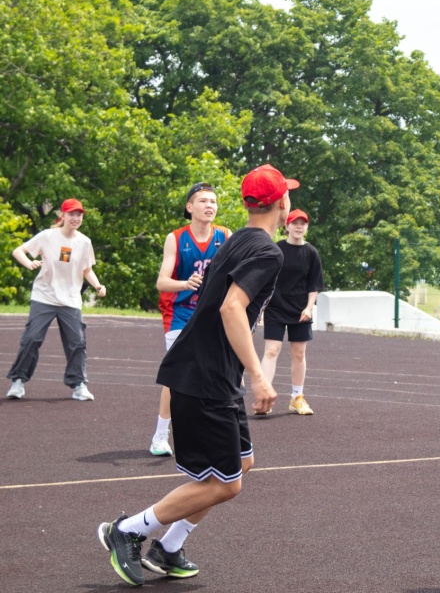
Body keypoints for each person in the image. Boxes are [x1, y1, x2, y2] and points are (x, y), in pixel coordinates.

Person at [97, 164, 296, 586]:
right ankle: (128, 530)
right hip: (206, 376)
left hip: (208, 372)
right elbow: (230, 307)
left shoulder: (237, 238)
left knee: (239, 465)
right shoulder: (267, 251)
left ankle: (169, 547)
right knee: (225, 485)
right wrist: (259, 376)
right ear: (283, 201)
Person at [150, 182, 232, 456]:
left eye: (213, 201)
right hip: (180, 313)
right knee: (178, 374)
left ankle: (212, 431)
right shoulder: (176, 238)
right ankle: (160, 435)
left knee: (218, 373)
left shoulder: (225, 236)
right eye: (203, 201)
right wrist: (185, 284)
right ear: (190, 207)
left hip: (211, 312)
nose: (210, 206)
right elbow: (162, 282)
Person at [6, 198, 106, 401]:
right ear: (63, 215)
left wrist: (98, 285)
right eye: (71, 214)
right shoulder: (48, 236)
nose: (76, 218)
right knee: (32, 339)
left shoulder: (84, 242)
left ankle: (79, 385)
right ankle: (18, 382)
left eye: (79, 215)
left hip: (70, 300)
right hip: (44, 296)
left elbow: (87, 270)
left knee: (77, 342)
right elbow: (18, 251)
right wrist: (29, 263)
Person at [259, 208, 325, 416]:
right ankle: (264, 397)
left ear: (307, 227)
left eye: (302, 224)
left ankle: (297, 397)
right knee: (271, 351)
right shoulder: (276, 249)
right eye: (294, 223)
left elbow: (314, 285)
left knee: (299, 353)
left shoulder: (311, 253)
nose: (298, 227)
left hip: (300, 310)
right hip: (275, 308)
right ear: (286, 226)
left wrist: (309, 307)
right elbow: (265, 279)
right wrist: (261, 307)